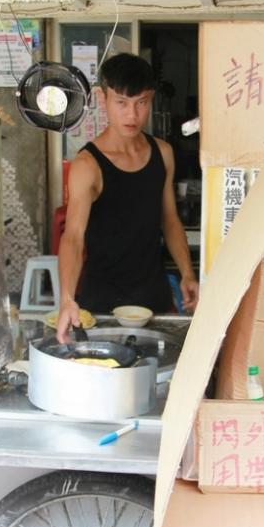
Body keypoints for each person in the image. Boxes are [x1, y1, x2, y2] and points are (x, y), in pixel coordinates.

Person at [56, 53, 199, 343]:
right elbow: (73, 236)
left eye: (141, 102)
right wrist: (67, 298)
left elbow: (170, 221)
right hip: (102, 307)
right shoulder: (88, 165)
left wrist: (187, 273)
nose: (132, 115)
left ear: (152, 99)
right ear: (102, 98)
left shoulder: (163, 153)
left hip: (154, 302)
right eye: (121, 103)